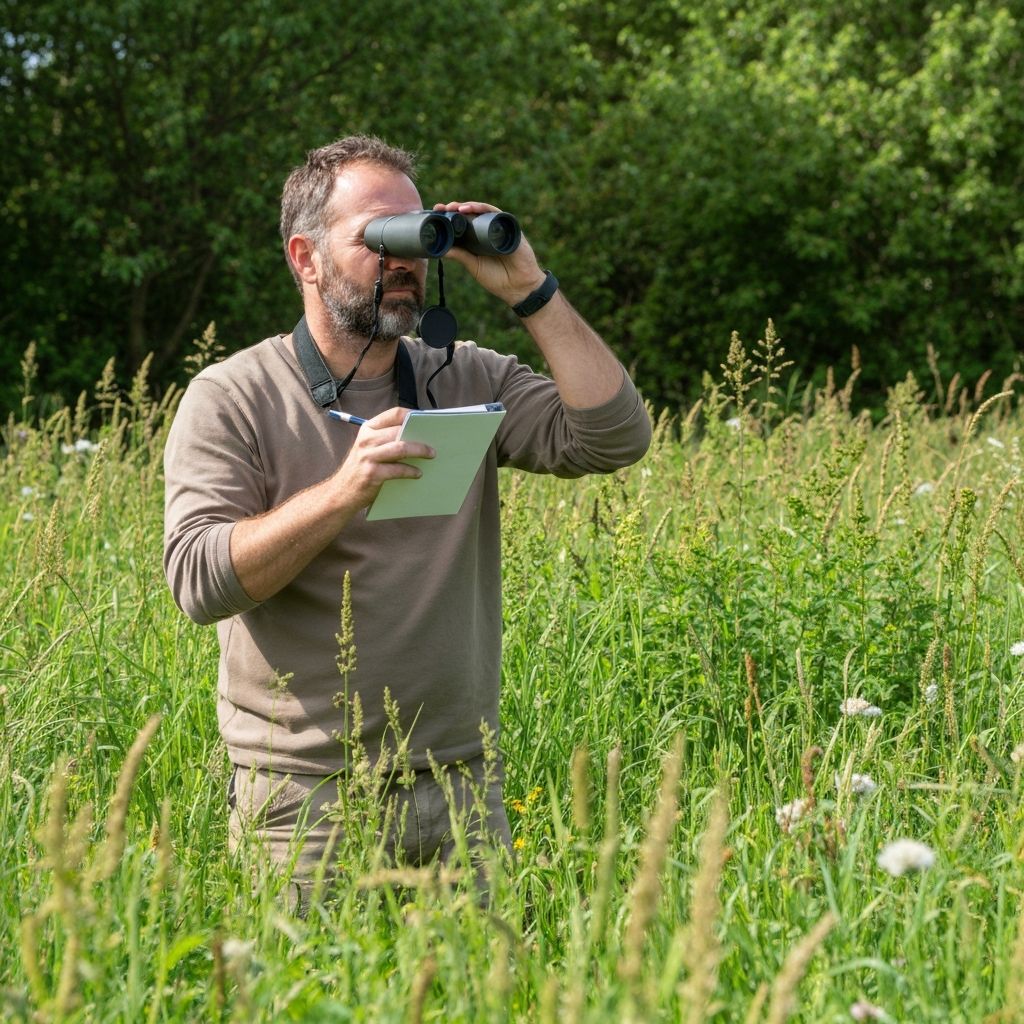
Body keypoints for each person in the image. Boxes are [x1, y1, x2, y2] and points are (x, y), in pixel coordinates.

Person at [163, 134, 651, 901]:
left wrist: (530, 288)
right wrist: (342, 492)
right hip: (306, 805)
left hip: (463, 786)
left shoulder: (465, 376)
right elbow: (198, 583)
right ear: (305, 258)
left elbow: (614, 437)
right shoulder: (233, 397)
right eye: (378, 238)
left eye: (418, 236)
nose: (406, 261)